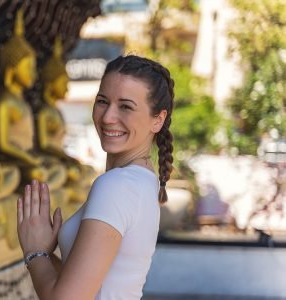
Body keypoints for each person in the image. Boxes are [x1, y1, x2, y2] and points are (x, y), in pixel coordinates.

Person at [17, 54, 174, 300]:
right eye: (102, 101)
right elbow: (91, 288)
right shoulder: (142, 181)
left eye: (125, 106)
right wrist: (46, 255)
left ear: (158, 120)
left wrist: (34, 253)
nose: (108, 117)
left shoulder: (117, 186)